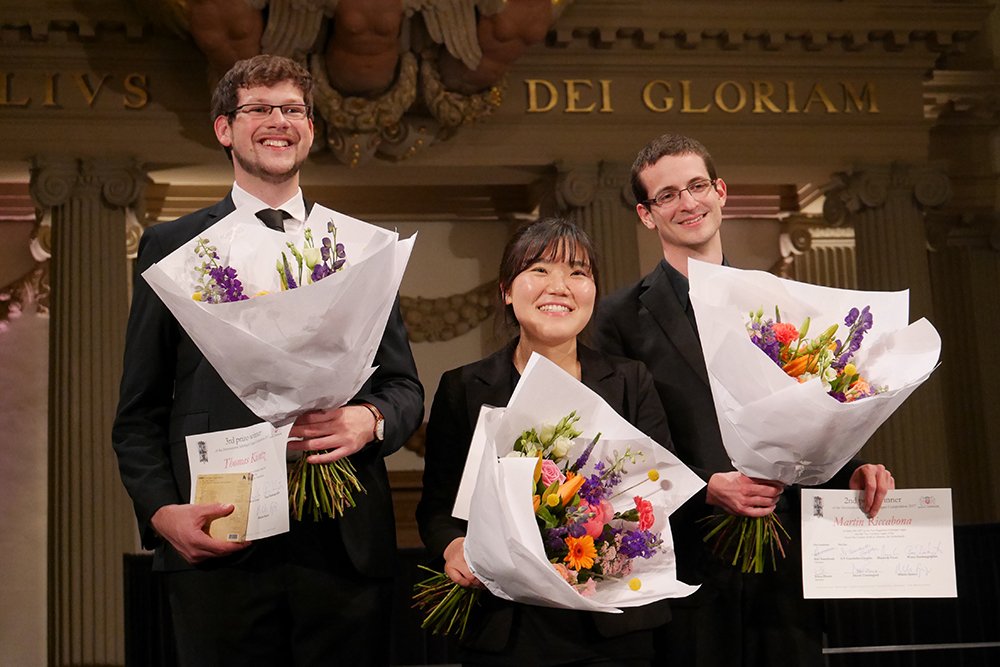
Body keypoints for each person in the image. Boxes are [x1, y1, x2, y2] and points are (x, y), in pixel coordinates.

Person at [111, 54, 424, 666]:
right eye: (259, 108)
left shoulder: (359, 246)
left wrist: (370, 420)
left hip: (345, 546)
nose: (278, 121)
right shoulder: (174, 246)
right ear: (225, 129)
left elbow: (404, 387)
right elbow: (138, 411)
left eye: (293, 110)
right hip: (220, 536)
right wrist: (162, 512)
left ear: (310, 128)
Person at [592, 132, 896, 667]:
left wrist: (850, 470)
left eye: (697, 186)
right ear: (646, 215)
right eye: (668, 195)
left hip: (783, 570)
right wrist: (704, 487)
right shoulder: (616, 321)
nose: (688, 203)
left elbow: (812, 413)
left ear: (721, 191)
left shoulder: (779, 301)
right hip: (687, 570)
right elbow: (616, 449)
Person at [416, 218, 675, 666]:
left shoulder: (630, 381)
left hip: (612, 626)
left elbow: (660, 493)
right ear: (506, 290)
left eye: (578, 272)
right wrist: (453, 547)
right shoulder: (464, 387)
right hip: (506, 624)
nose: (560, 286)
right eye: (539, 270)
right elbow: (438, 508)